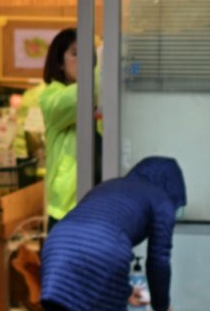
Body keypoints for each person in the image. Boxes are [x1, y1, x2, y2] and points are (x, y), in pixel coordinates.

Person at [40, 156, 186, 311]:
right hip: (104, 249)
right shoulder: (162, 200)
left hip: (56, 245)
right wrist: (162, 306)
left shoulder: (108, 185)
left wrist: (125, 292)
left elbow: (88, 243)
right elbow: (158, 261)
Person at [38, 27, 99, 229]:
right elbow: (78, 97)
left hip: (99, 202)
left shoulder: (100, 94)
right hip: (66, 209)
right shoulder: (52, 97)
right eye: (76, 54)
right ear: (59, 63)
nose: (85, 60)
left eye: (90, 54)